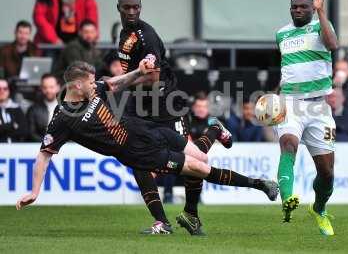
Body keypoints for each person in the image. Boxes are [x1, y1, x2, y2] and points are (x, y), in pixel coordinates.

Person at [15, 62, 279, 225]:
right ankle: (260, 184)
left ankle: (213, 129)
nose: (94, 86)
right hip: (138, 152)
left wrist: (138, 73)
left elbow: (114, 84)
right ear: (75, 85)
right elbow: (44, 154)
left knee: (200, 155)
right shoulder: (62, 118)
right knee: (201, 168)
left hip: (146, 129)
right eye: (89, 83)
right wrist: (35, 191)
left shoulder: (91, 88)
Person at [116, 0, 232, 235]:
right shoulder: (124, 34)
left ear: (141, 7)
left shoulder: (147, 36)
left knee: (198, 159)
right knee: (138, 160)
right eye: (127, 7)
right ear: (119, 8)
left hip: (167, 105)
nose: (132, 11)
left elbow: (153, 77)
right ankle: (162, 222)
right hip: (141, 108)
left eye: (136, 7)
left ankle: (213, 130)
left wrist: (119, 82)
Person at [274, 0, 338, 236]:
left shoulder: (322, 27)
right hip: (290, 102)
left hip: (319, 107)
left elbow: (332, 45)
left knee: (327, 173)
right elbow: (288, 68)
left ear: (312, 8)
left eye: (304, 7)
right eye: (294, 7)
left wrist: (322, 12)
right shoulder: (281, 34)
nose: (298, 10)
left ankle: (319, 208)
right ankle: (287, 198)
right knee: (288, 144)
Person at [27, 74, 60, 142]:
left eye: (51, 87)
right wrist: (46, 142)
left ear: (58, 87)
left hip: (66, 148)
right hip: (40, 147)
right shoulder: (33, 109)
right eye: (45, 87)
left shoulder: (67, 108)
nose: (48, 90)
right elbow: (31, 133)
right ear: (41, 88)